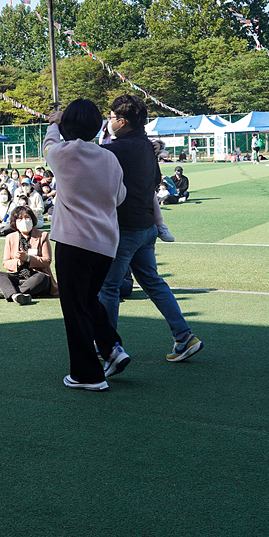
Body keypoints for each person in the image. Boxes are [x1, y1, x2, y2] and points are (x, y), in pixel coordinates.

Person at [96, 95, 201, 371]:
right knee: (154, 282)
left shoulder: (117, 149)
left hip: (125, 228)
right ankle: (184, 337)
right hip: (147, 227)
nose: (108, 121)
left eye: (111, 117)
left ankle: (106, 347)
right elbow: (156, 180)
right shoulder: (146, 145)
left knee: (108, 288)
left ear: (122, 121)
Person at [43, 100, 128, 391]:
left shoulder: (64, 153)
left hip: (74, 242)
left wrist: (54, 122)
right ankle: (112, 348)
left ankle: (87, 374)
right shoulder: (110, 159)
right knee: (88, 301)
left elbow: (48, 146)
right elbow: (120, 197)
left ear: (67, 125)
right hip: (105, 245)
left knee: (75, 307)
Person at [0, 206, 54, 305]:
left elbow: (47, 260)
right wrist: (19, 262)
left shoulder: (42, 236)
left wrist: (28, 258)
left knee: (42, 278)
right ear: (14, 222)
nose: (24, 221)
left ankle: (8, 292)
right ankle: (15, 295)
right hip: (17, 276)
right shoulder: (10, 237)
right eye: (20, 218)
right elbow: (6, 262)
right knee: (0, 275)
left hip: (36, 277)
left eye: (27, 217)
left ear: (33, 219)